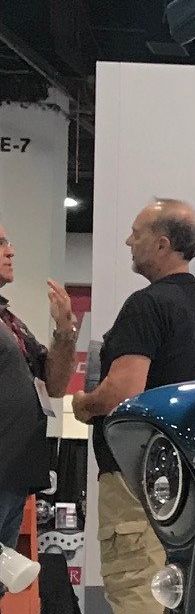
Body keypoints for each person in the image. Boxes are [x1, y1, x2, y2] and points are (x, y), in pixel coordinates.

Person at [71, 199, 195, 614]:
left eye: (136, 233)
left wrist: (83, 404)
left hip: (137, 473)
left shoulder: (146, 306)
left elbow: (122, 391)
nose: (128, 241)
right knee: (181, 587)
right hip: (191, 479)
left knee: (136, 579)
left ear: (162, 244)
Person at [0, 222, 77, 563]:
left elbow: (54, 385)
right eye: (0, 243)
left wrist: (64, 329)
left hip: (16, 475)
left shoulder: (12, 323)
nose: (11, 251)